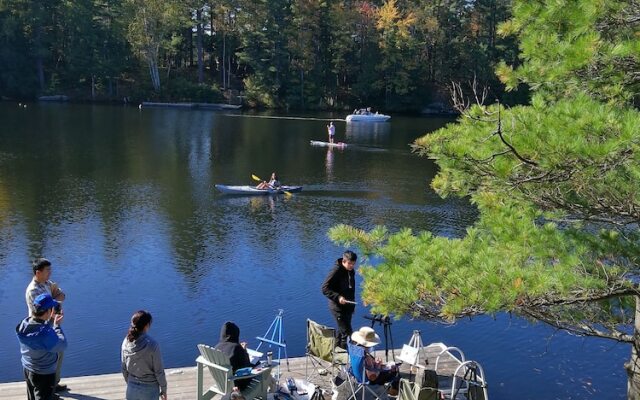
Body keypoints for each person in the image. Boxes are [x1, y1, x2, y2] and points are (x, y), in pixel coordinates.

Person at [25, 258, 67, 393]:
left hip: (51, 324)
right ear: (38, 272)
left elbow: (62, 296)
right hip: (41, 328)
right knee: (48, 357)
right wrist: (55, 302)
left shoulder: (47, 283)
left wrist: (54, 302)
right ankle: (48, 387)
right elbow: (41, 310)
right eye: (47, 270)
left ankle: (54, 383)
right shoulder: (33, 290)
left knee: (58, 354)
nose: (50, 272)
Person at [16, 293, 68, 400]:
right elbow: (62, 345)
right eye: (51, 308)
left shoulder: (23, 324)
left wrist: (49, 322)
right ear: (48, 311)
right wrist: (57, 326)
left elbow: (39, 333)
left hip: (28, 369)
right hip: (44, 374)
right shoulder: (45, 334)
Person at [121, 310, 167, 400]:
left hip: (131, 389)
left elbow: (124, 368)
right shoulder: (153, 345)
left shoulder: (125, 343)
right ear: (146, 325)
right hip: (150, 390)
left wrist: (130, 383)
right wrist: (164, 389)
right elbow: (159, 371)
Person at [321, 250, 357, 349]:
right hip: (337, 307)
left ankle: (335, 352)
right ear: (343, 261)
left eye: (353, 264)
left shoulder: (351, 271)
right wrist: (338, 297)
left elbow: (351, 289)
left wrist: (352, 307)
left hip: (347, 307)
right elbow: (324, 288)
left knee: (342, 331)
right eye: (349, 263)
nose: (351, 266)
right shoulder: (336, 271)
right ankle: (347, 358)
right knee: (348, 334)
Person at [350, 326, 400, 395]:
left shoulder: (355, 350)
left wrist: (375, 363)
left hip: (357, 374)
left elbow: (366, 367)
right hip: (369, 380)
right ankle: (393, 390)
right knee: (395, 370)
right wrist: (379, 366)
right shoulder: (365, 357)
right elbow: (372, 377)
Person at [214, 321, 254, 390]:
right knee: (261, 369)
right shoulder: (236, 347)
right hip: (238, 384)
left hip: (222, 382)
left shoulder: (217, 347)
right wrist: (244, 350)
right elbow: (246, 364)